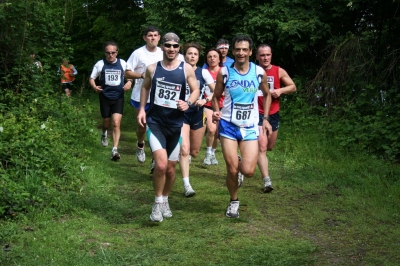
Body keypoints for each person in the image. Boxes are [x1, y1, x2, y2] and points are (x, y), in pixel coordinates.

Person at [137, 33, 200, 222]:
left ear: (178, 48)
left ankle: (165, 199)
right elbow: (145, 87)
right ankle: (156, 204)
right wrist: (142, 109)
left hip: (176, 125)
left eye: (175, 46)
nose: (171, 49)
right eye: (168, 45)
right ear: (163, 47)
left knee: (171, 170)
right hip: (156, 123)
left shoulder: (186, 69)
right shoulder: (152, 68)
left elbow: (196, 89)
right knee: (161, 165)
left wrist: (188, 102)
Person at [212, 35, 272, 218]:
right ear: (233, 51)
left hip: (250, 126)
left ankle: (238, 163)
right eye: (238, 49)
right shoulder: (225, 72)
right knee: (231, 169)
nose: (241, 52)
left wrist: (266, 118)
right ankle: (233, 201)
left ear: (250, 52)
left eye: (245, 49)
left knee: (248, 171)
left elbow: (267, 95)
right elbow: (215, 96)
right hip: (228, 125)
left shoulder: (259, 72)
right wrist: (216, 111)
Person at [256, 44, 296, 192]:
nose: (265, 58)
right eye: (262, 55)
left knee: (269, 146)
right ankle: (267, 181)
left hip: (274, 113)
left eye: (267, 55)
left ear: (271, 55)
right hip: (257, 113)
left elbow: (293, 86)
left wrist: (280, 90)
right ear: (257, 57)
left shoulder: (278, 71)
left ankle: (243, 163)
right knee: (262, 147)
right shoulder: (253, 71)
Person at [180, 42, 215, 197]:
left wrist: (206, 99)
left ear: (198, 57)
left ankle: (185, 159)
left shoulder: (204, 73)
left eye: (195, 54)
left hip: (198, 113)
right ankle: (187, 185)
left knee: (194, 152)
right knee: (184, 150)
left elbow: (217, 91)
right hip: (181, 113)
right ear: (184, 55)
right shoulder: (178, 70)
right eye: (189, 53)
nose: (192, 56)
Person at [125, 26, 162, 165]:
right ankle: (140, 145)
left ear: (159, 37)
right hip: (140, 96)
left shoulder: (163, 53)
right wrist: (142, 75)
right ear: (145, 37)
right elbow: (127, 73)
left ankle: (155, 158)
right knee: (142, 126)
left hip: (159, 97)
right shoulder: (138, 53)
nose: (153, 38)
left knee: (156, 127)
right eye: (150, 35)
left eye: (155, 35)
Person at [89, 41, 132, 161]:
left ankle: (114, 149)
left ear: (117, 52)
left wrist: (129, 82)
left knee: (116, 123)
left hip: (118, 96)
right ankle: (104, 133)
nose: (110, 55)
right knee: (106, 122)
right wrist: (94, 87)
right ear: (105, 53)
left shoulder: (123, 63)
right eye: (108, 53)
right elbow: (92, 78)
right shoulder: (100, 64)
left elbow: (130, 77)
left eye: (113, 53)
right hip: (104, 97)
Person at [202, 48, 223, 165]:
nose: (212, 58)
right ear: (207, 59)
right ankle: (208, 153)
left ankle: (213, 153)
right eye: (209, 56)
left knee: (218, 133)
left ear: (219, 58)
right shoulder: (203, 72)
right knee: (211, 129)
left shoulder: (225, 72)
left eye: (215, 56)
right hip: (208, 104)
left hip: (223, 106)